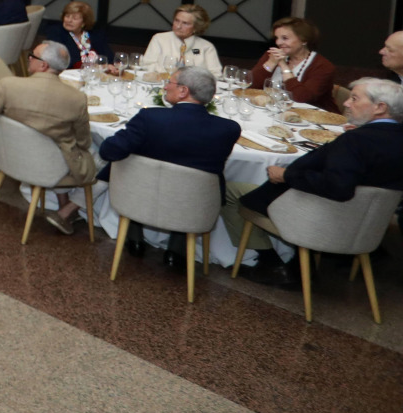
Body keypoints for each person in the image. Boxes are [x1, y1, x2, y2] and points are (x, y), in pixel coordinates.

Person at [221, 78, 403, 287]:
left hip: (319, 219)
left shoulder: (355, 141)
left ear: (380, 107)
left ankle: (270, 263)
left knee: (230, 191)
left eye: (354, 98)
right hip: (368, 226)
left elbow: (337, 187)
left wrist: (286, 175)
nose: (346, 103)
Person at [94, 66, 240, 254]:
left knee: (129, 158)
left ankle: (134, 233)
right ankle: (177, 248)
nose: (164, 87)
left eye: (169, 83)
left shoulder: (150, 118)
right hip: (195, 206)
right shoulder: (229, 129)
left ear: (183, 91)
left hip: (140, 197)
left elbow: (109, 151)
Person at [0, 40, 96, 231]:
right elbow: (84, 142)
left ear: (43, 65)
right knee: (108, 161)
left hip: (11, 156)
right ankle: (70, 209)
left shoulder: (8, 86)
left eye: (32, 56)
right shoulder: (77, 98)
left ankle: (65, 208)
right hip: (54, 166)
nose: (28, 58)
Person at [247, 16, 337, 112]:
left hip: (313, 116)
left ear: (304, 40)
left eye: (285, 38)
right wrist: (270, 63)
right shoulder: (272, 56)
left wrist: (284, 67)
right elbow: (249, 86)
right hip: (273, 110)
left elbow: (301, 98)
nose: (278, 42)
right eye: (277, 38)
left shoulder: (323, 66)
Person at [141, 4, 222, 77]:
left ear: (196, 27)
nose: (178, 26)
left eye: (185, 23)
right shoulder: (160, 39)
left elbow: (216, 74)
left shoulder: (206, 47)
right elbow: (147, 65)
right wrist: (170, 74)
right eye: (176, 20)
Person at [43, 1, 114, 70]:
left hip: (96, 73)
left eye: (75, 18)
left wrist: (109, 66)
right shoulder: (56, 32)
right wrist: (95, 67)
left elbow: (108, 56)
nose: (69, 20)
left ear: (84, 22)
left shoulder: (94, 33)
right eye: (67, 16)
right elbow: (63, 61)